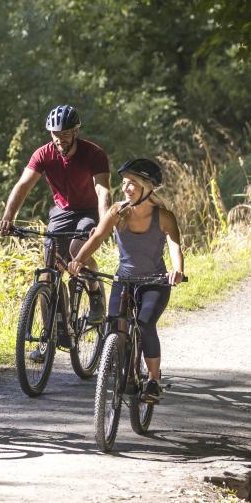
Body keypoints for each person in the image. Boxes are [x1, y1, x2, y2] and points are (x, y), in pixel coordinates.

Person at [69, 157, 185, 403]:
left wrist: (177, 270)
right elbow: (97, 237)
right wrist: (78, 259)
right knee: (115, 324)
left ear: (147, 186)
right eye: (124, 183)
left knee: (144, 324)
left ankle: (153, 380)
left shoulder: (164, 216)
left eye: (132, 183)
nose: (126, 188)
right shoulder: (117, 212)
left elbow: (175, 246)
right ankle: (124, 368)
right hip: (125, 280)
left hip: (155, 282)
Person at [0, 104, 111, 322]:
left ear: (76, 132)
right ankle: (49, 336)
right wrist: (7, 218)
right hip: (61, 212)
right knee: (48, 271)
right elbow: (22, 186)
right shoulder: (43, 154)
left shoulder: (94, 154)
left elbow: (102, 190)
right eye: (55, 134)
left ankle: (95, 292)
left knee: (78, 251)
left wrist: (105, 221)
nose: (59, 139)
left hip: (88, 211)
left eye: (65, 134)